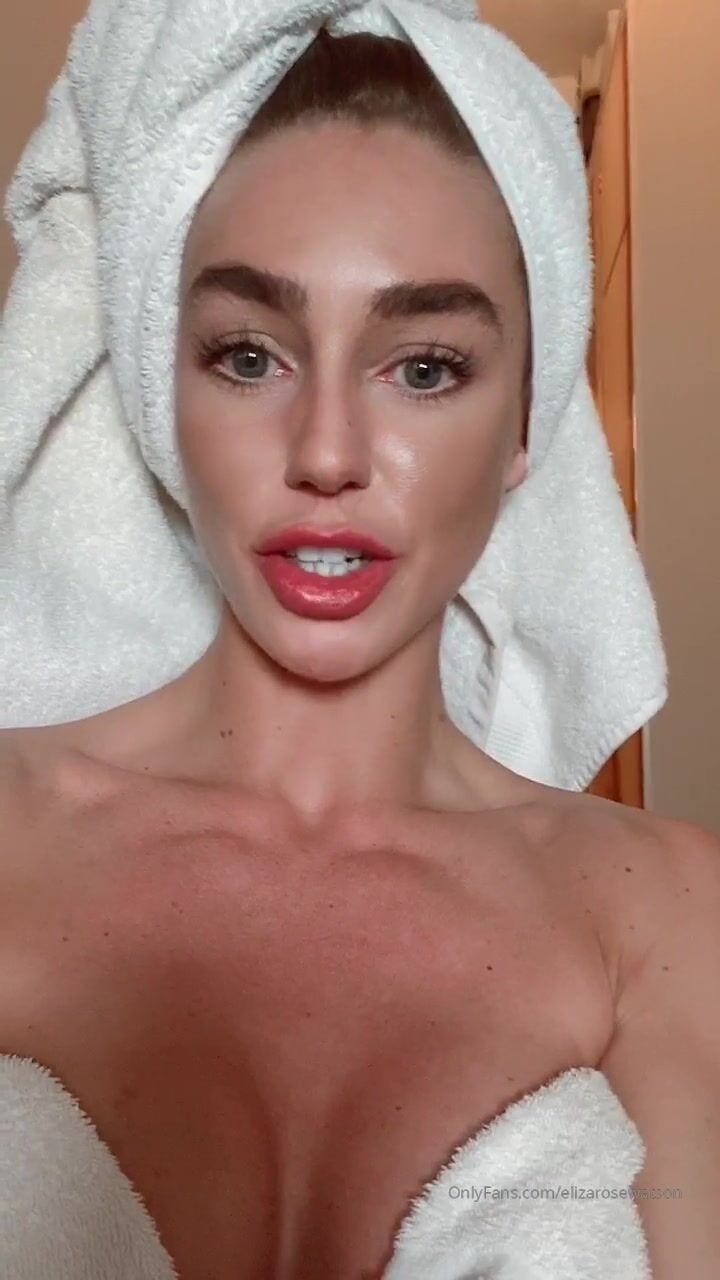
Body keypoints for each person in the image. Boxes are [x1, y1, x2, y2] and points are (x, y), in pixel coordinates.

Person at [2, 25, 719, 1280]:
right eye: (248, 355)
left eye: (425, 367)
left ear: (525, 422)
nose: (326, 451)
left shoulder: (665, 910)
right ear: (166, 398)